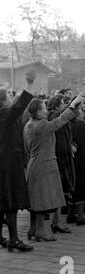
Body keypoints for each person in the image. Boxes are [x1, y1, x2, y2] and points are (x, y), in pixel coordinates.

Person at [24, 95, 85, 242]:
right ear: (38, 112)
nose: (46, 111)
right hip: (44, 165)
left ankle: (32, 229)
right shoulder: (42, 125)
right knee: (42, 200)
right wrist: (73, 104)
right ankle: (40, 231)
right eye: (44, 108)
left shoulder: (28, 124)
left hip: (34, 163)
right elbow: (60, 121)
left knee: (35, 199)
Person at [0, 70, 36, 252]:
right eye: (8, 94)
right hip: (9, 163)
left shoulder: (5, 115)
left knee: (3, 200)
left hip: (4, 161)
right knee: (11, 200)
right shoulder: (5, 113)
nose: (11, 96)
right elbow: (19, 106)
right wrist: (29, 84)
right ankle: (14, 239)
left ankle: (1, 237)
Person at [47, 95, 76, 231]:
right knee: (58, 189)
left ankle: (57, 220)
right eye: (63, 102)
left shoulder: (57, 115)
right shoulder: (54, 115)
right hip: (59, 156)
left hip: (64, 154)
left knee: (61, 189)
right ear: (56, 104)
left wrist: (71, 145)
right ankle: (56, 221)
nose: (64, 104)